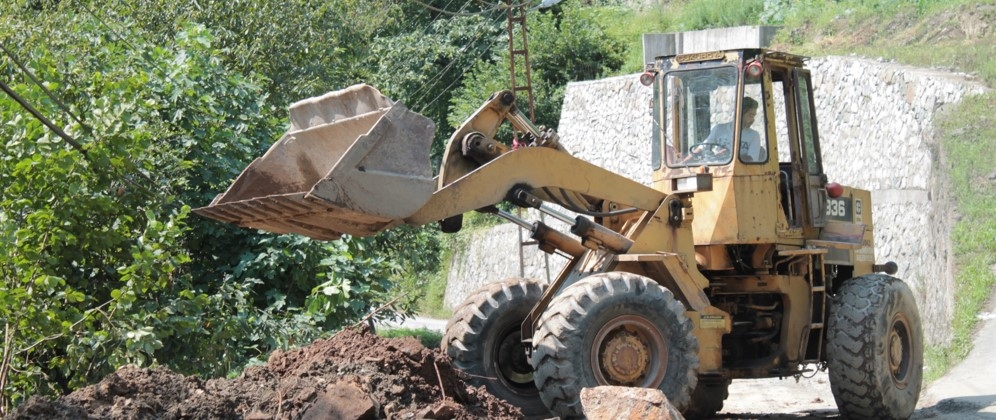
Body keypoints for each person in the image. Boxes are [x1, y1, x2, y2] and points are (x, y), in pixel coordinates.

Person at [688, 96, 766, 163]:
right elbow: (702, 148)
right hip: (719, 170)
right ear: (740, 113)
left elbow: (751, 158)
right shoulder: (719, 129)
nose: (753, 120)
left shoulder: (753, 135)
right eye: (750, 115)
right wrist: (683, 163)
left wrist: (730, 156)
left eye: (753, 116)